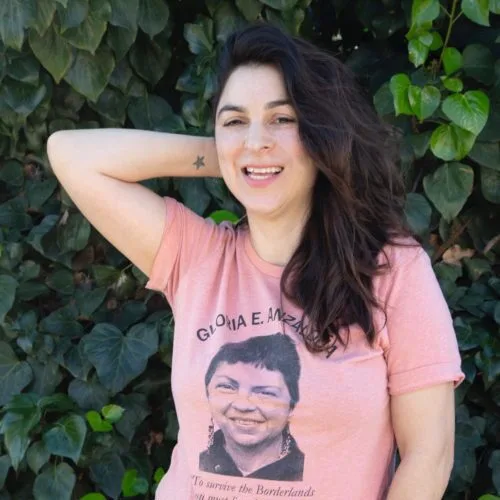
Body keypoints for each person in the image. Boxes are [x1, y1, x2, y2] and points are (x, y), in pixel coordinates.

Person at [47, 21, 464, 500]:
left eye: (283, 119)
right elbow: (71, 153)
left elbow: (429, 456)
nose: (256, 138)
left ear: (320, 134)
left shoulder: (391, 271)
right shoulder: (198, 257)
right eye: (234, 119)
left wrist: (256, 148)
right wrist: (235, 153)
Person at [199, 334, 304, 481]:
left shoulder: (313, 471)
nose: (243, 405)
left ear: (292, 407)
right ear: (208, 394)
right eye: (227, 387)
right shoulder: (199, 462)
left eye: (265, 392)